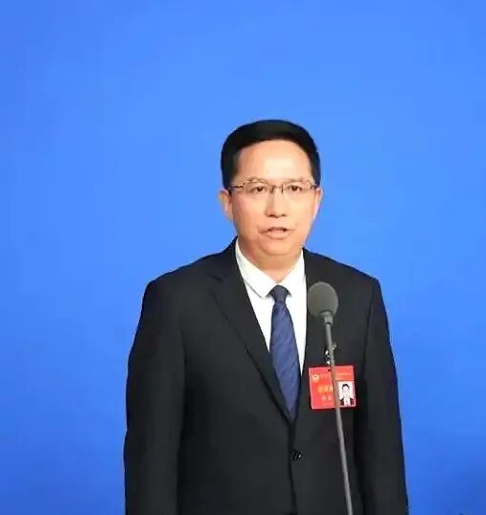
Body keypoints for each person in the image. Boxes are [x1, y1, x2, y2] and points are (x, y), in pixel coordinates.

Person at [123, 119, 408, 515]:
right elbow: (151, 461)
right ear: (227, 202)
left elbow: (382, 455)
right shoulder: (177, 302)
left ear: (316, 200)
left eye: (294, 188)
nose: (277, 208)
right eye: (258, 189)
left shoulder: (356, 297)